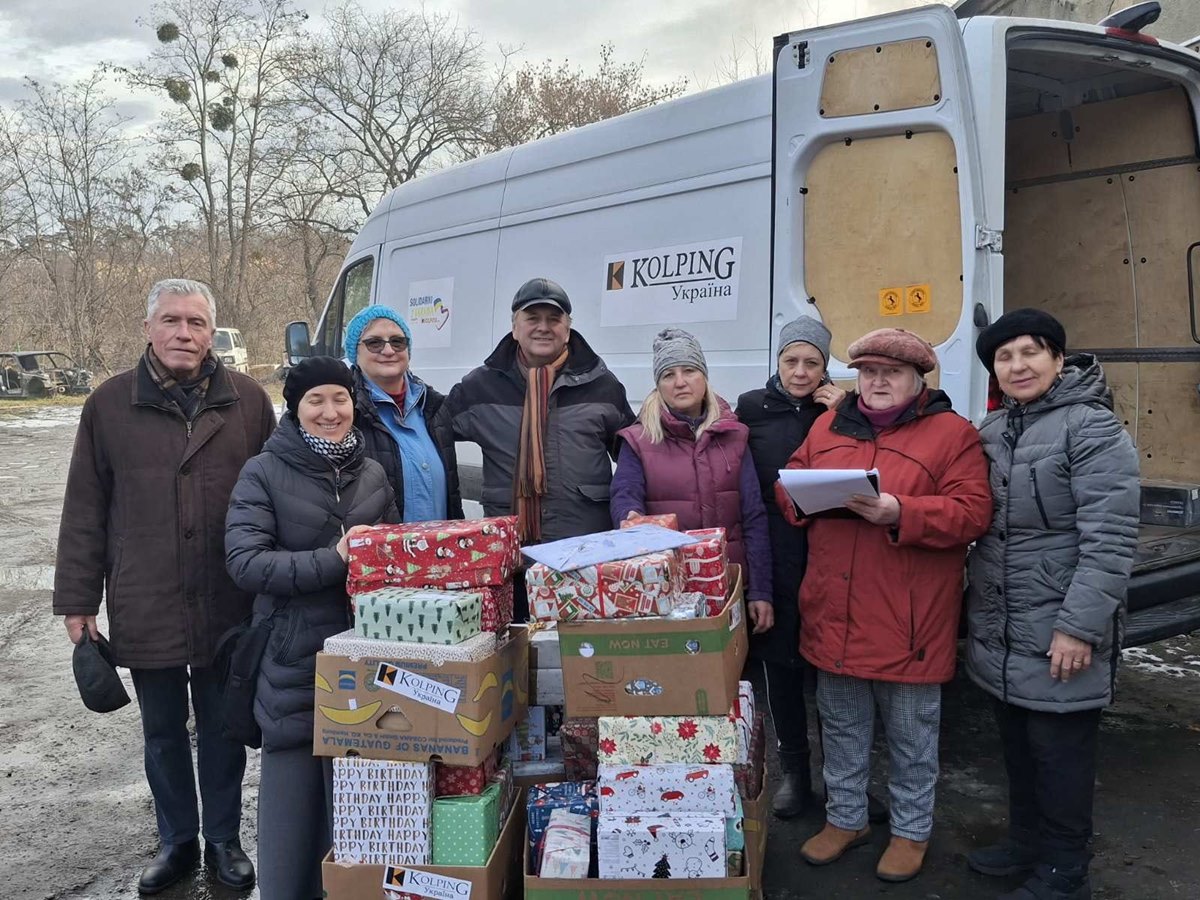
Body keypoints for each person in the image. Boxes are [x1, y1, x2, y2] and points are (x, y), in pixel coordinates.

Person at [52, 278, 276, 894]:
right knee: (162, 731)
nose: (184, 333)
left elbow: (276, 496)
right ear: (149, 328)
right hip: (144, 593)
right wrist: (78, 599)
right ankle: (177, 842)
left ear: (213, 333)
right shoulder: (109, 404)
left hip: (227, 594)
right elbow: (85, 507)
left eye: (197, 323)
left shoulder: (249, 402)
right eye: (172, 321)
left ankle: (223, 840)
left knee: (225, 725)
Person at [776, 327, 992, 883]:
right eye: (868, 372)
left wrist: (902, 512)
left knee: (911, 737)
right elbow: (791, 477)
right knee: (842, 727)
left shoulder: (951, 434)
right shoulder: (828, 423)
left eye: (890, 373)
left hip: (907, 617)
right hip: (834, 608)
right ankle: (846, 819)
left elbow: (972, 513)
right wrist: (796, 495)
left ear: (918, 380)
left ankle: (910, 831)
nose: (876, 382)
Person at [966, 309, 1139, 900]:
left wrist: (1078, 628)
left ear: (1058, 360)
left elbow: (1110, 540)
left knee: (1061, 754)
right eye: (1005, 357)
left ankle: (1067, 871)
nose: (1018, 366)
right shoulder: (992, 432)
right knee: (1018, 745)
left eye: (1030, 352)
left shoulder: (1091, 429)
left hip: (1060, 626)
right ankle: (1026, 842)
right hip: (1004, 626)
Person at [225, 357, 397, 900]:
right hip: (294, 656)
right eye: (316, 401)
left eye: (340, 399)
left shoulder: (372, 472)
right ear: (295, 409)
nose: (330, 412)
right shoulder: (263, 471)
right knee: (291, 809)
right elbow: (246, 563)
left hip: (364, 659)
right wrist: (335, 559)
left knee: (356, 802)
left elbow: (393, 556)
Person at [435, 277, 635, 619]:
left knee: (579, 659)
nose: (543, 327)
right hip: (512, 553)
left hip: (583, 550)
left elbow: (635, 453)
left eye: (553, 319)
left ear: (567, 329)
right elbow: (429, 426)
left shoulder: (601, 385)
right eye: (533, 318)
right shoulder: (481, 387)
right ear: (515, 328)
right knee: (515, 656)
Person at [736, 317, 846, 819]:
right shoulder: (752, 408)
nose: (801, 372)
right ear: (777, 362)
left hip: (832, 548)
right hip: (775, 549)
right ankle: (796, 775)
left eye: (812, 362)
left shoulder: (843, 409)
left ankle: (845, 781)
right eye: (791, 360)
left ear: (826, 366)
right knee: (779, 665)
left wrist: (845, 414)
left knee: (837, 670)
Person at [610, 327, 773, 619]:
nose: (680, 382)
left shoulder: (735, 436)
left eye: (689, 370)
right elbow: (625, 493)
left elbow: (754, 517)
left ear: (705, 377)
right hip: (665, 588)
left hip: (730, 583)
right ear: (658, 384)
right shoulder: (638, 439)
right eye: (668, 375)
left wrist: (761, 590)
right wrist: (629, 516)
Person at [342, 304, 463, 521]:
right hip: (380, 553)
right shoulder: (345, 414)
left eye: (397, 341)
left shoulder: (434, 407)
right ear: (355, 353)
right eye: (374, 343)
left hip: (442, 551)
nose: (388, 351)